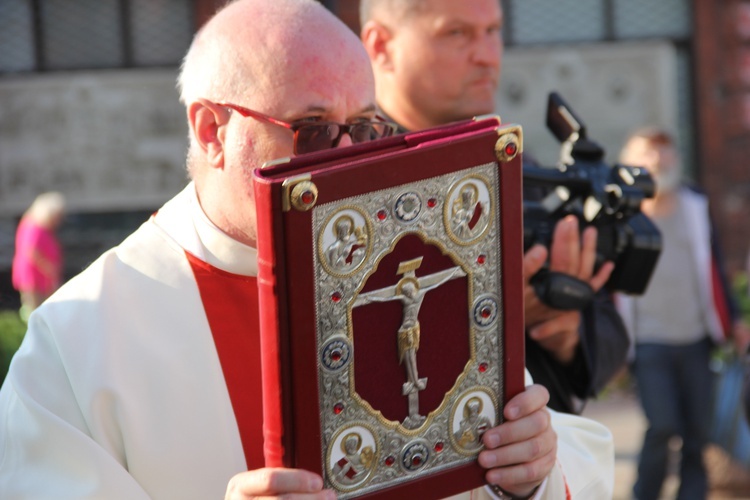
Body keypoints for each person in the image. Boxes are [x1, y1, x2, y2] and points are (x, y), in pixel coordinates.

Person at [0, 1, 614, 499]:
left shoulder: (419, 247)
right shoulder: (81, 337)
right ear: (212, 131)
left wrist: (532, 475)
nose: (346, 156)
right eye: (315, 129)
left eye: (368, 127)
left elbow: (543, 455)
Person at [359, 0, 629, 414]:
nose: (487, 56)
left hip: (540, 464)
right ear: (380, 46)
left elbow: (611, 340)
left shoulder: (522, 171)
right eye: (456, 33)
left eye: (493, 31)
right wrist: (493, 317)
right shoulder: (346, 183)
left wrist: (566, 331)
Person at [617, 127, 749, 500]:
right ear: (630, 162)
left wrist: (734, 320)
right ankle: (646, 493)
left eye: (664, 152)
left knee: (697, 432)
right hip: (648, 341)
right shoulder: (621, 215)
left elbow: (715, 266)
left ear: (675, 157)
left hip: (695, 338)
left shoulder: (694, 203)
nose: (657, 161)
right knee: (661, 426)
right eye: (647, 154)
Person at [11, 191, 65, 322]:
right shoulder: (34, 226)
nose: (58, 220)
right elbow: (31, 251)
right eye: (56, 216)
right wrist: (49, 269)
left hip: (41, 277)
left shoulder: (41, 227)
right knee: (36, 313)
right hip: (34, 277)